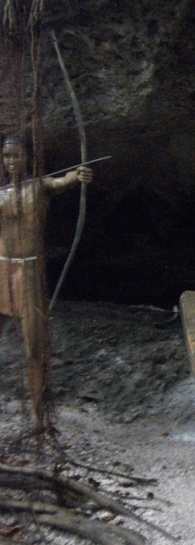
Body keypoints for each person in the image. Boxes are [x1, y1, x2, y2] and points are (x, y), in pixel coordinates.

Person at [0, 135, 94, 427]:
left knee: (34, 343)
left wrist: (79, 175)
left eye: (17, 155)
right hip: (2, 266)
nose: (12, 161)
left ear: (27, 157)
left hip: (29, 268)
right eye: (7, 156)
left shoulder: (39, 185)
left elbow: (63, 180)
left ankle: (37, 409)